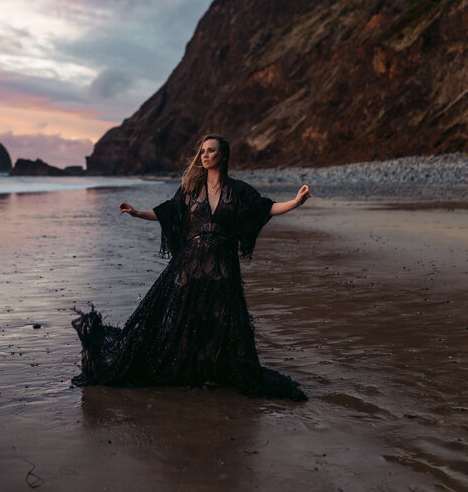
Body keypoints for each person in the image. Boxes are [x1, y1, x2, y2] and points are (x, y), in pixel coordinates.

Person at [72, 134, 311, 400]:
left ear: (223, 155)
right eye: (202, 152)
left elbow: (265, 208)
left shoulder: (238, 190)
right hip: (190, 264)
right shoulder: (189, 189)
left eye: (211, 151)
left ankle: (212, 373)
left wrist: (295, 202)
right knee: (187, 320)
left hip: (222, 267)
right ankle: (187, 370)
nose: (205, 156)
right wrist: (137, 212)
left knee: (221, 321)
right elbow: (168, 213)